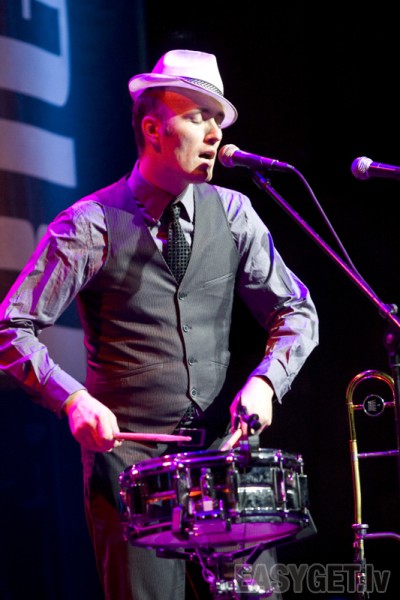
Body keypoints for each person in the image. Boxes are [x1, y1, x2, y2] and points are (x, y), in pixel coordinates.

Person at [0, 49, 319, 600]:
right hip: (130, 471)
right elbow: (12, 326)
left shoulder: (235, 214)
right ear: (153, 128)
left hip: (226, 458)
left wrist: (268, 381)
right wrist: (72, 400)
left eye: (218, 119)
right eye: (198, 116)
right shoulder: (90, 224)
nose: (215, 133)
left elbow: (297, 310)